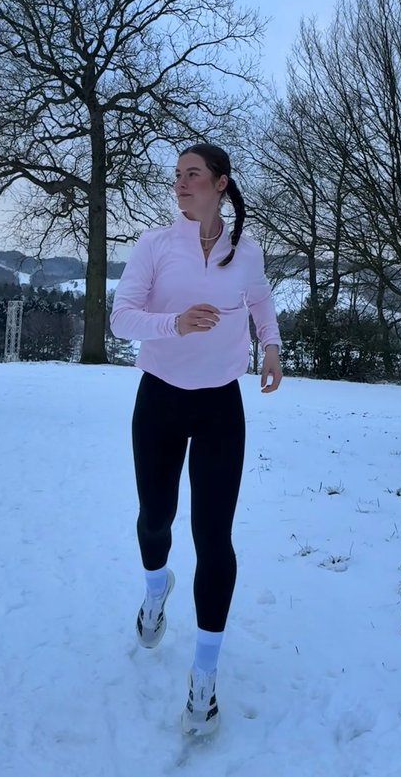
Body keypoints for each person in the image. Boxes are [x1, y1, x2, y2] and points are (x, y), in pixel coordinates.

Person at [110, 143, 282, 736]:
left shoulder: (246, 251)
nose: (181, 183)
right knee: (156, 517)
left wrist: (272, 346)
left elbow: (260, 298)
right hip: (159, 396)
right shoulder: (155, 246)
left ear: (220, 184)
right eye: (177, 175)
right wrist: (173, 324)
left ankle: (204, 678)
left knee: (215, 537)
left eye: (192, 175)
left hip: (219, 406)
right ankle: (156, 587)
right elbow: (121, 315)